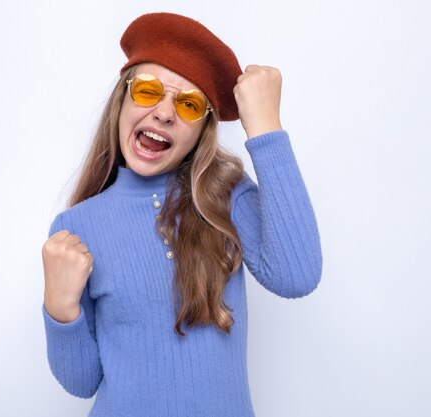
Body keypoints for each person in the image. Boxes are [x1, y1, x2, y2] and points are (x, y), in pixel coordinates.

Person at [41, 12, 322, 417]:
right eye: (148, 90)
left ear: (202, 128)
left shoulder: (225, 196)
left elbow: (297, 276)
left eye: (189, 104)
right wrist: (60, 308)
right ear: (122, 99)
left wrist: (265, 128)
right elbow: (81, 382)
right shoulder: (76, 228)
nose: (164, 113)